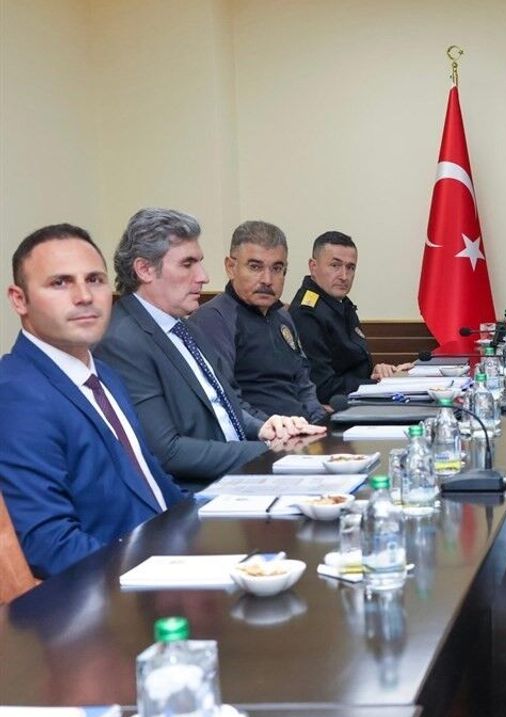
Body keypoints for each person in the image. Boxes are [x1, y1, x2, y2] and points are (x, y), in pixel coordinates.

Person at [0, 224, 184, 578]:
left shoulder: (105, 375)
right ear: (19, 299)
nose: (84, 296)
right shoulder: (15, 394)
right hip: (113, 591)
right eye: (60, 283)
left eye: (95, 280)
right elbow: (50, 545)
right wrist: (165, 574)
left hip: (167, 557)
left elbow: (152, 482)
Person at [97, 208, 324, 486]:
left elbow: (224, 406)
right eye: (187, 264)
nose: (203, 276)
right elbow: (167, 452)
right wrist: (270, 451)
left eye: (199, 263)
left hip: (238, 475)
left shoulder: (184, 326)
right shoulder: (123, 341)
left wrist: (266, 428)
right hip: (195, 494)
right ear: (144, 269)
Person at [188, 221, 327, 424]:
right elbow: (226, 401)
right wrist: (276, 429)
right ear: (231, 267)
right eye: (255, 267)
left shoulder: (283, 316)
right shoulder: (213, 319)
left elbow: (304, 385)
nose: (267, 280)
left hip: (302, 432)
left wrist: (320, 422)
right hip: (261, 436)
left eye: (277, 268)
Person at [289, 231, 410, 408]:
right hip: (336, 411)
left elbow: (350, 368)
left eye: (350, 267)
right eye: (335, 266)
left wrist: (379, 373)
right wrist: (380, 384)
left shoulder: (340, 303)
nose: (344, 276)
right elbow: (322, 387)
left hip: (356, 403)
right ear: (313, 266)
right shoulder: (307, 313)